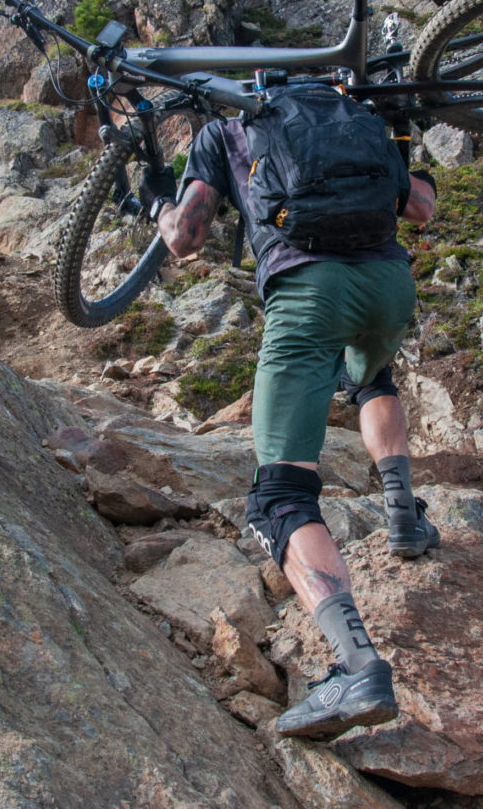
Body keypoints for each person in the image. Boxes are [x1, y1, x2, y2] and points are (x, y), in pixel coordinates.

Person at [144, 104, 439, 739]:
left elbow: (186, 238)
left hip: (309, 287)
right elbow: (421, 208)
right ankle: (403, 513)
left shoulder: (230, 127)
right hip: (390, 284)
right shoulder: (355, 113)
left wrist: (155, 207)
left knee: (279, 495)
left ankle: (356, 664)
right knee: (372, 378)